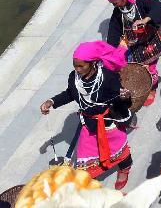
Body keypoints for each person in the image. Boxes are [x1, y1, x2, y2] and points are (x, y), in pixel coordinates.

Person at [40, 43, 133, 188]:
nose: (77, 69)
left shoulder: (108, 77)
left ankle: (125, 168)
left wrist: (124, 97)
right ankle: (88, 180)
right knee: (84, 157)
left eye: (80, 66)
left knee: (119, 150)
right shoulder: (74, 77)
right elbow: (70, 93)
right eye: (75, 65)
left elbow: (119, 100)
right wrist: (51, 101)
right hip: (89, 125)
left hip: (108, 124)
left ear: (93, 63)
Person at [105, 0, 161, 106]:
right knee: (137, 68)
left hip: (150, 41)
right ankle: (144, 83)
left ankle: (152, 88)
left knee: (150, 68)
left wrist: (145, 20)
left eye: (115, 2)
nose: (115, 6)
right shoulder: (118, 11)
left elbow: (159, 8)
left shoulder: (141, 0)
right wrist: (109, 52)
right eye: (112, 4)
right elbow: (113, 31)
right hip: (135, 45)